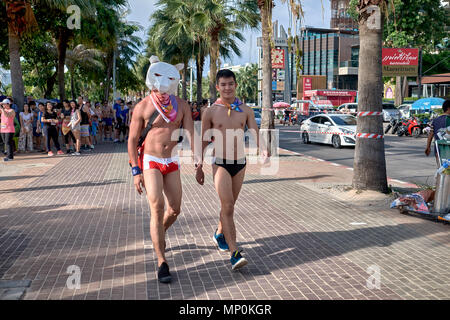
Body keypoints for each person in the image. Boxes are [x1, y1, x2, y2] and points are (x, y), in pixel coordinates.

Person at [128, 56, 194, 283]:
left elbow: (191, 134)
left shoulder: (182, 105)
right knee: (157, 206)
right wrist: (135, 171)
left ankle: (159, 233)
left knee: (175, 210)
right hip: (151, 161)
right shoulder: (143, 106)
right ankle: (161, 261)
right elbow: (132, 139)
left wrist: (198, 161)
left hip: (172, 161)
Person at [196, 69, 267, 271]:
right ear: (217, 87)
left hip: (240, 163)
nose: (227, 88)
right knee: (227, 206)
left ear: (236, 85)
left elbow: (254, 130)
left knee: (230, 206)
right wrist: (198, 166)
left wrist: (263, 148)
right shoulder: (210, 112)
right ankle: (234, 253)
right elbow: (203, 140)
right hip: (220, 163)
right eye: (223, 84)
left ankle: (219, 233)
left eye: (231, 84)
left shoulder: (245, 110)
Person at [425, 99, 450, 165]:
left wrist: (428, 147)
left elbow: (431, 134)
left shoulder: (435, 121)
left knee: (442, 171)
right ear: (448, 108)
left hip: (439, 153)